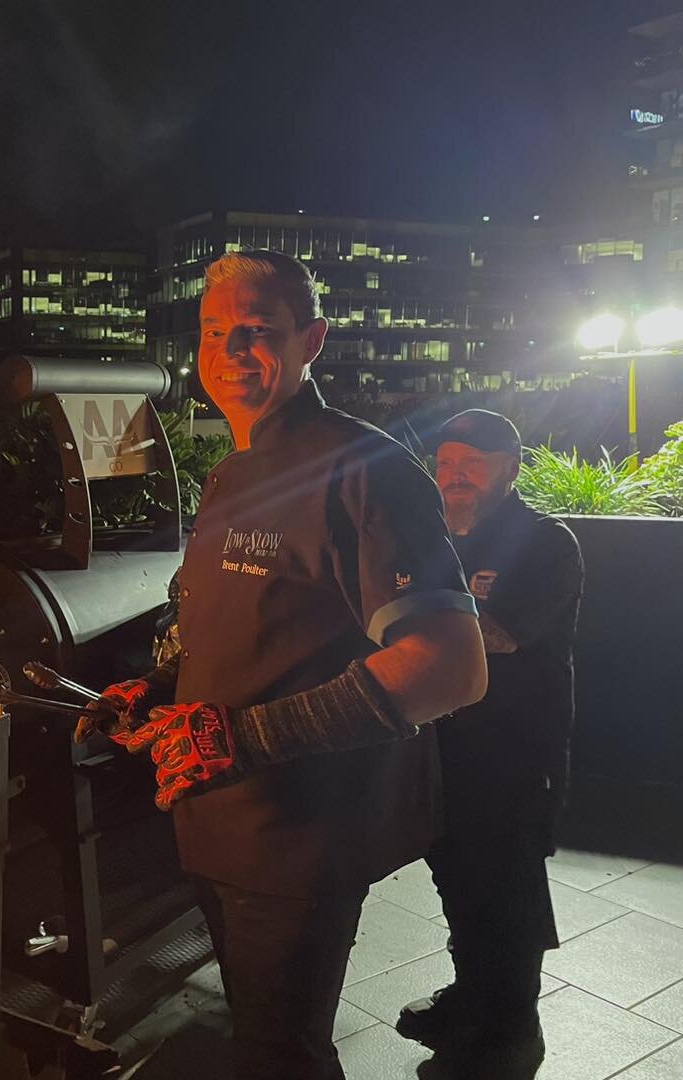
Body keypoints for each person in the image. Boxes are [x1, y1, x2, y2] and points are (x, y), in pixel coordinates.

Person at [78, 250, 487, 1080]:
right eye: (215, 330)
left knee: (279, 1055)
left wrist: (242, 740)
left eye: (259, 331)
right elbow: (221, 618)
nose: (232, 349)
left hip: (299, 833)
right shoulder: (233, 469)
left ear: (313, 341)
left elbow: (450, 665)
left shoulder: (362, 469)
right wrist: (155, 687)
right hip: (214, 817)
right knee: (260, 1036)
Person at [397, 410, 584, 1076]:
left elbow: (500, 635)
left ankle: (511, 1023)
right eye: (446, 464)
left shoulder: (546, 543)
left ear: (510, 466)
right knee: (458, 879)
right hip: (445, 749)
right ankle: (472, 996)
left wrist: (418, 614)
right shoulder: (439, 543)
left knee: (507, 888)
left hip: (515, 753)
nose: (455, 477)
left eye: (472, 463)